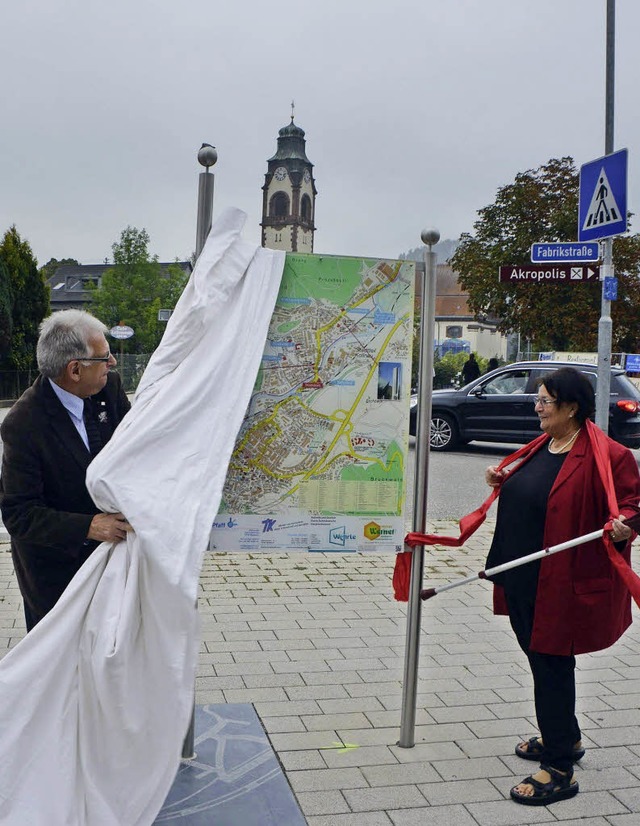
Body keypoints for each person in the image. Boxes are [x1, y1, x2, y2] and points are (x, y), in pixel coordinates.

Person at [484, 366, 640, 806]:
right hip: (520, 572)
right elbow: (537, 490)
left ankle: (559, 769)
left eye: (544, 401)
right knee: (541, 661)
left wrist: (625, 525)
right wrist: (504, 481)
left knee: (550, 665)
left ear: (571, 407)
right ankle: (565, 738)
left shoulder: (608, 454)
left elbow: (633, 503)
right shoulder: (544, 445)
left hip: (559, 581)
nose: (537, 408)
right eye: (538, 400)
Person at [0, 309, 132, 631]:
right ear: (75, 369)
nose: (112, 363)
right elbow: (20, 514)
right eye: (104, 357)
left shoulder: (109, 389)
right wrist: (89, 526)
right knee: (62, 675)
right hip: (56, 576)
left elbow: (134, 451)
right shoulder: (23, 424)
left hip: (113, 564)